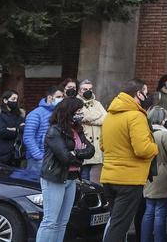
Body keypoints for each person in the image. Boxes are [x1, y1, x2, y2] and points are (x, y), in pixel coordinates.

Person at [101, 78, 159, 242]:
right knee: (119, 228)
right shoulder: (136, 116)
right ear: (138, 94)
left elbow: (103, 145)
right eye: (145, 93)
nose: (147, 97)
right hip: (129, 180)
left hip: (109, 177)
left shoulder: (110, 115)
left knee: (115, 223)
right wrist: (155, 148)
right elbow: (142, 149)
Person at [37, 96, 94, 242]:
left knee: (63, 222)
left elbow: (91, 150)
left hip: (72, 178)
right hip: (55, 177)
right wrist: (79, 155)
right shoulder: (54, 131)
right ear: (69, 111)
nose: (80, 114)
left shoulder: (77, 129)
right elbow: (65, 157)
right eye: (78, 111)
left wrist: (76, 153)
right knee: (50, 221)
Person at [143, 106, 167, 242]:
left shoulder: (145, 133)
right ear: (163, 119)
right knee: (160, 212)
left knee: (149, 211)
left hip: (148, 175)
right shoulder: (165, 135)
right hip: (164, 176)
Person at [23, 86, 64, 172]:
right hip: (38, 160)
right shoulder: (36, 114)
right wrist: (39, 156)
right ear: (49, 97)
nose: (61, 99)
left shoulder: (59, 113)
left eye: (62, 97)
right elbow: (28, 137)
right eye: (58, 97)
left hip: (54, 158)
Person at [79, 79, 106, 182]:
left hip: (97, 148)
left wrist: (89, 119)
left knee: (96, 181)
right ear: (79, 91)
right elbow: (82, 116)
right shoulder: (76, 103)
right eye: (85, 89)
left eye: (90, 89)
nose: (88, 91)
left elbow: (105, 119)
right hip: (83, 146)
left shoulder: (97, 103)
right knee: (83, 177)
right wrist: (97, 115)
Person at [0, 90, 24, 166]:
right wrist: (18, 130)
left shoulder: (19, 114)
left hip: (16, 154)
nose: (15, 101)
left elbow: (24, 129)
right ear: (5, 100)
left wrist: (15, 129)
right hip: (2, 153)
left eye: (16, 99)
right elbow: (1, 132)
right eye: (13, 99)